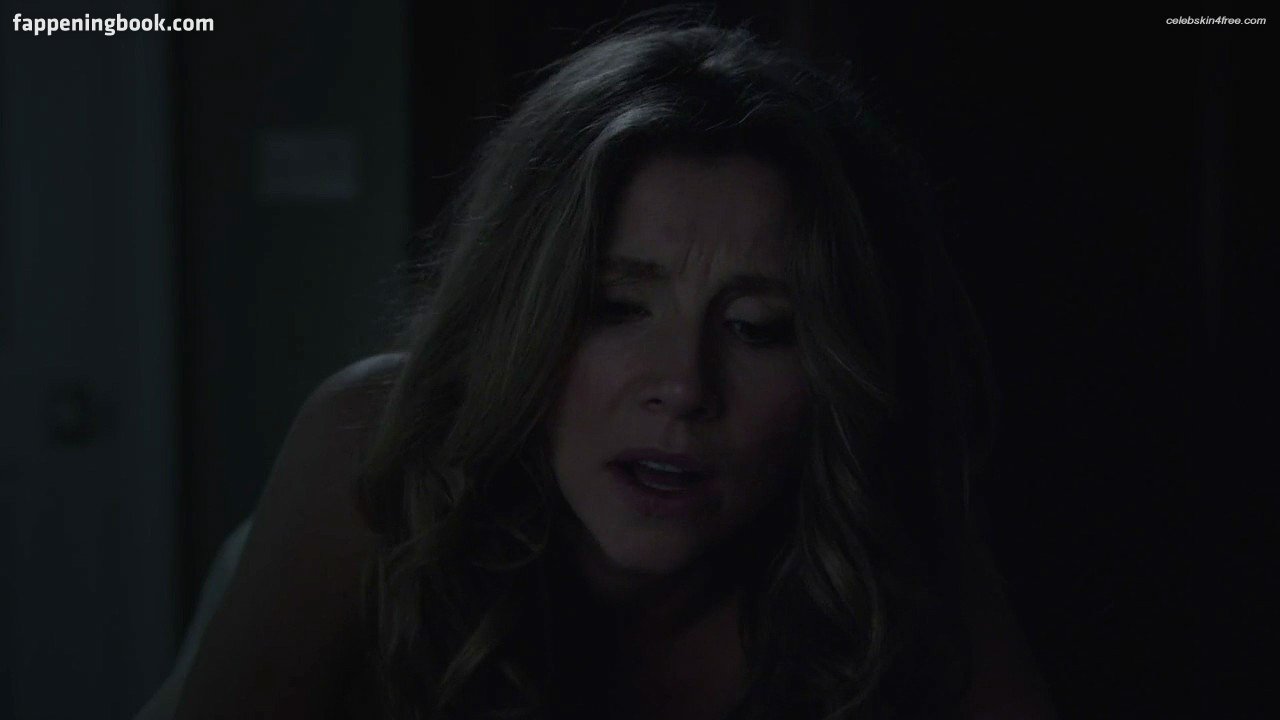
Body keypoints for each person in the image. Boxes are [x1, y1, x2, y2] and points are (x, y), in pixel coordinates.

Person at [162, 17, 1057, 720]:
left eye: (759, 328)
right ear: (519, 319)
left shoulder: (890, 527)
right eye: (617, 308)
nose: (685, 387)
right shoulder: (378, 445)